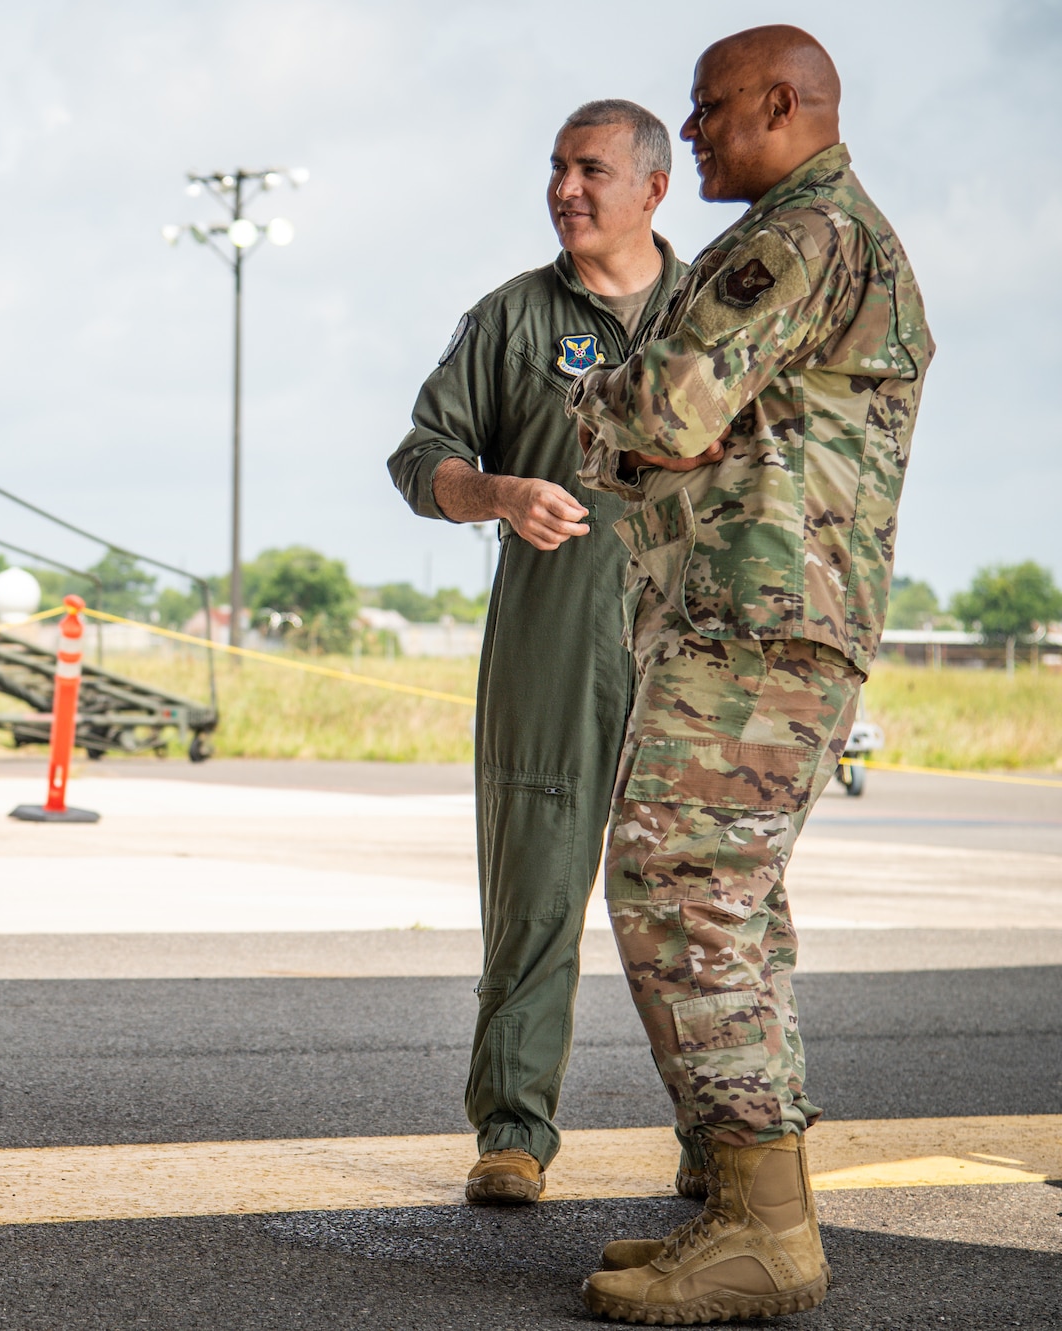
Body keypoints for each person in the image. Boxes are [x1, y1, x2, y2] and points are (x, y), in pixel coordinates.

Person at [568, 26, 932, 1323]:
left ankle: (769, 1230)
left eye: (712, 110)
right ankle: (745, 1201)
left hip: (759, 622)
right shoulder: (813, 237)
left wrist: (600, 401)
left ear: (786, 103)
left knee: (684, 883)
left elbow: (666, 414)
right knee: (725, 895)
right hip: (752, 617)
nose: (699, 129)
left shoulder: (803, 238)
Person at [388, 101, 686, 1207]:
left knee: (696, 901)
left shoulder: (713, 311)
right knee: (534, 888)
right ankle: (512, 1129)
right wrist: (494, 493)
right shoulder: (512, 319)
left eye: (590, 169)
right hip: (551, 642)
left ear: (651, 188)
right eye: (555, 167)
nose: (565, 187)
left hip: (690, 644)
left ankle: (724, 1137)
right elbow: (420, 454)